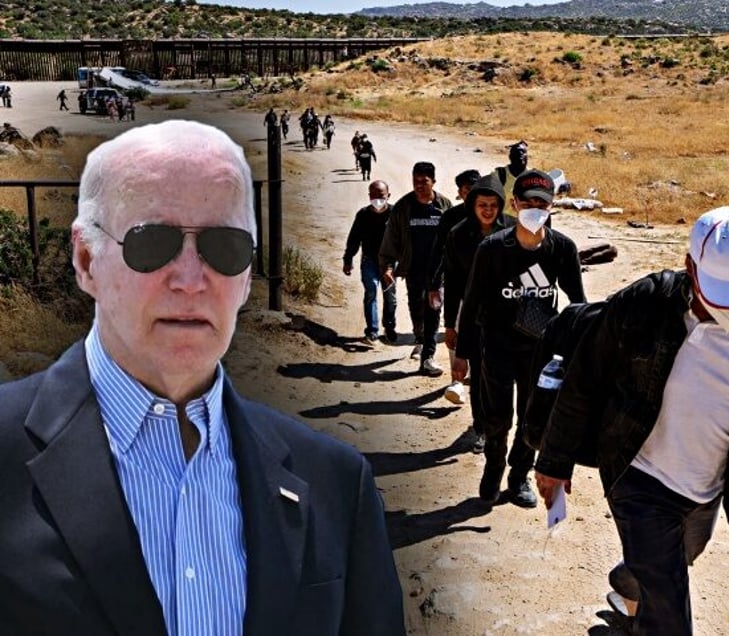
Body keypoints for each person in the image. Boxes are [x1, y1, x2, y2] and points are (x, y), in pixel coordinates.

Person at [0, 120, 405, 635]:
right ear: (86, 260)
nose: (191, 280)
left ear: (246, 277)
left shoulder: (335, 484)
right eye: (152, 243)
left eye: (223, 248)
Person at [534, 206, 729, 634]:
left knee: (677, 559)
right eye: (718, 293)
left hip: (708, 487)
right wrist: (554, 461)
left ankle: (629, 580)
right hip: (637, 472)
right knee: (668, 611)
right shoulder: (646, 304)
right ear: (689, 267)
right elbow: (584, 379)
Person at [452, 169, 586, 508]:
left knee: (532, 419)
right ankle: (494, 467)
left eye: (542, 202)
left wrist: (576, 351)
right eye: (527, 201)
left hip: (540, 352)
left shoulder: (562, 249)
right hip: (496, 347)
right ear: (514, 203)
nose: (534, 207)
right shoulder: (493, 248)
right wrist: (462, 352)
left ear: (552, 206)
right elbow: (472, 303)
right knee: (497, 417)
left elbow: (578, 305)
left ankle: (518, 476)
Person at [443, 174, 510, 454]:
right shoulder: (459, 235)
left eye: (494, 205)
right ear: (472, 204)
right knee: (479, 378)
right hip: (475, 316)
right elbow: (454, 284)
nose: (488, 210)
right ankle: (481, 428)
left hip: (510, 317)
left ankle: (505, 428)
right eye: (482, 204)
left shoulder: (513, 231)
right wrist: (450, 325)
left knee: (506, 379)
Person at [379, 161, 453, 376]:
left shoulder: (444, 206)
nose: (419, 185)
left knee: (434, 310)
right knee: (416, 306)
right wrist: (387, 266)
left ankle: (427, 356)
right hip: (413, 269)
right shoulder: (404, 207)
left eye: (424, 181)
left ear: (433, 182)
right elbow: (391, 238)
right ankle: (420, 338)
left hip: (437, 272)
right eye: (415, 181)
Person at [425, 169, 479, 402]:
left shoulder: (493, 215)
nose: (471, 196)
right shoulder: (451, 217)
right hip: (456, 284)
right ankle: (456, 382)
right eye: (466, 192)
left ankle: (478, 379)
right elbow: (438, 252)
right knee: (454, 332)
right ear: (460, 193)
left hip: (488, 289)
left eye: (474, 191)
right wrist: (433, 284)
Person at [343, 180, 397, 343]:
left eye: (380, 195)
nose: (377, 198)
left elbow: (403, 239)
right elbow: (354, 239)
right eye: (373, 195)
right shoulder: (363, 215)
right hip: (369, 260)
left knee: (390, 297)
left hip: (389, 262)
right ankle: (372, 331)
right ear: (369, 196)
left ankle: (389, 327)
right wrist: (348, 259)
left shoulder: (395, 214)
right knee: (371, 291)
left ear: (388, 195)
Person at [490, 140, 528, 216]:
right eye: (516, 154)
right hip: (503, 222)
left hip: (524, 222)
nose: (521, 155)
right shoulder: (500, 175)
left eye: (523, 153)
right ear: (510, 157)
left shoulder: (532, 176)